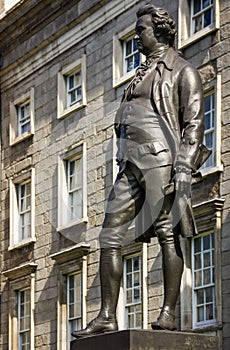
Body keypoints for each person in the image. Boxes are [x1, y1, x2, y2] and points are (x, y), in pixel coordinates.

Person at [72, 4, 210, 338]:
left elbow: (193, 125)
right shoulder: (141, 71)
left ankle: (168, 312)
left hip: (162, 160)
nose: (136, 37)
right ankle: (107, 315)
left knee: (167, 233)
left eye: (142, 31)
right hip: (130, 164)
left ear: (160, 31)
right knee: (110, 234)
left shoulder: (182, 71)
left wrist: (183, 168)